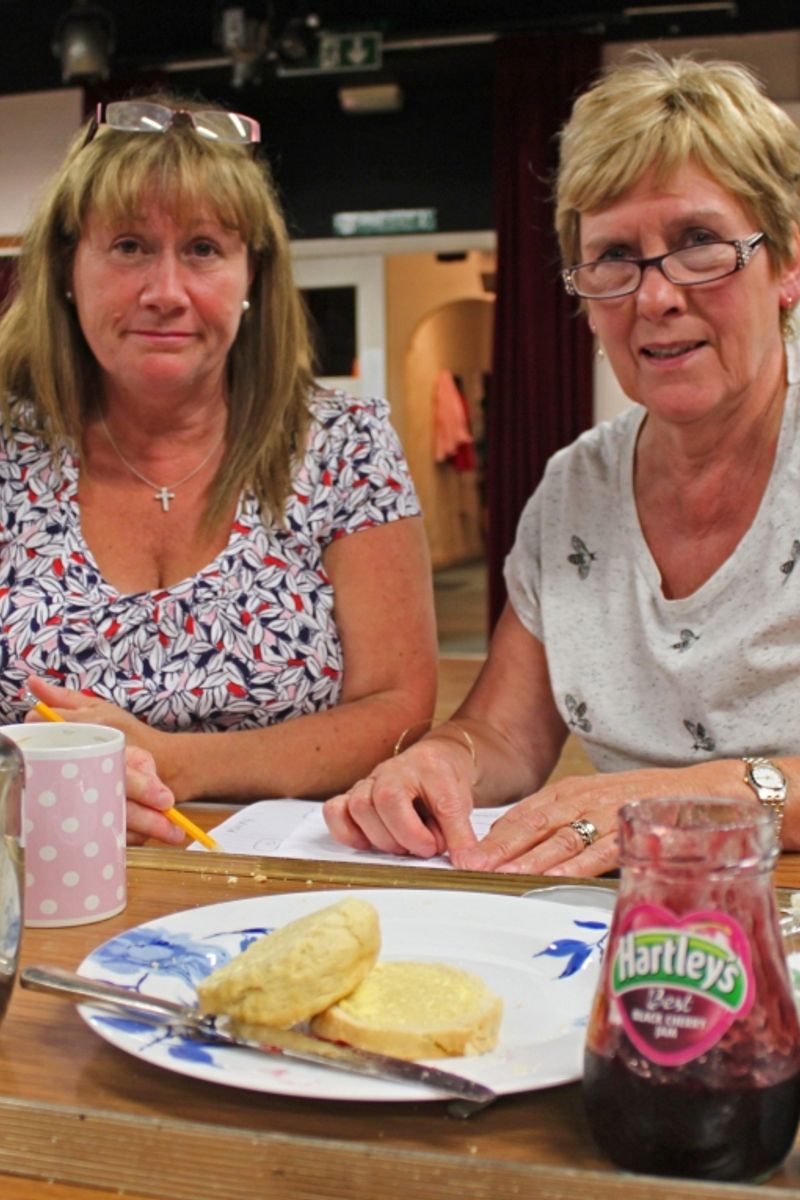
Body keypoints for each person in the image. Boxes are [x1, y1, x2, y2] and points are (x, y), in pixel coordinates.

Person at [324, 51, 800, 876]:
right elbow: (505, 732)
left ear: (786, 264)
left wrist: (699, 797)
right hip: (629, 923)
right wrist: (440, 763)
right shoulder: (576, 491)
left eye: (699, 243)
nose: (655, 297)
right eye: (613, 256)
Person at [0, 95, 436, 844]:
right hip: (33, 865)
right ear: (68, 268)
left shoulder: (344, 445)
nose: (165, 293)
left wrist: (177, 763)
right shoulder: (10, 449)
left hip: (282, 874)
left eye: (203, 248)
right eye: (129, 246)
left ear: (252, 276)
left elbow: (396, 706)